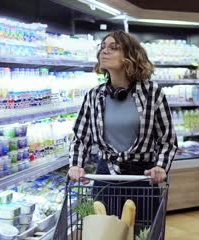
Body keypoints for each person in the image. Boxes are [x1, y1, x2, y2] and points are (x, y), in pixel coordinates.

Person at [68, 31, 178, 223]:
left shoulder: (152, 92)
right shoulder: (94, 96)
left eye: (113, 47)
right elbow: (80, 138)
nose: (104, 51)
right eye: (102, 47)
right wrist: (76, 165)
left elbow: (167, 140)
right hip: (105, 178)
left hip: (142, 178)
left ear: (130, 56)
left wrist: (160, 167)